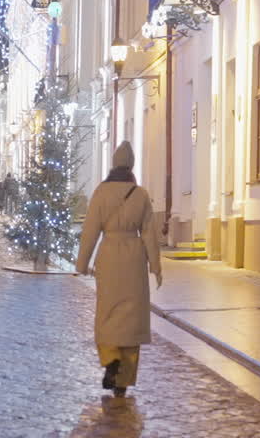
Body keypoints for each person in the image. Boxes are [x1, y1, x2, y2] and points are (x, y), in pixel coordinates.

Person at [75, 141, 162, 398]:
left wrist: (82, 263)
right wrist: (156, 266)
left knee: (108, 312)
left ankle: (110, 358)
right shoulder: (141, 194)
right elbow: (149, 233)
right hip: (134, 257)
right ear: (131, 165)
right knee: (131, 317)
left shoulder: (101, 193)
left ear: (113, 163)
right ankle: (123, 379)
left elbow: (90, 231)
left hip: (109, 254)